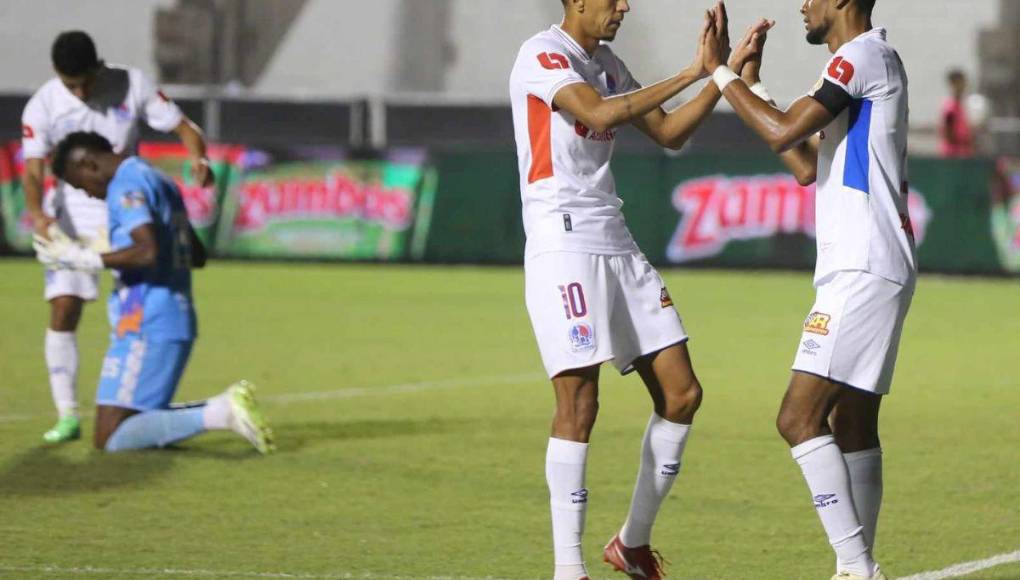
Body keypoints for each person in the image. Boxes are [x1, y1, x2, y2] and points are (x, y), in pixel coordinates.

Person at [509, 2, 769, 578]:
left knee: (682, 393)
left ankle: (631, 543)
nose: (623, 5)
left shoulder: (606, 61)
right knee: (580, 402)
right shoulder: (542, 55)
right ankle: (567, 568)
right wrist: (693, 70)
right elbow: (598, 114)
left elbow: (670, 133)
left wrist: (720, 78)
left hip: (614, 238)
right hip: (563, 243)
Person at [701, 0, 916, 578]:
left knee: (797, 419)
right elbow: (803, 162)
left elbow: (782, 129)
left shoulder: (859, 57)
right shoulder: (870, 62)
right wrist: (752, 83)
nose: (803, 5)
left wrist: (719, 72)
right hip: (877, 262)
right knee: (852, 425)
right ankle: (854, 568)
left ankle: (858, 567)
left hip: (862, 265)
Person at [21, 30, 214, 443]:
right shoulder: (44, 105)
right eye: (70, 84)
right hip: (73, 214)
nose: (80, 90)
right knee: (65, 306)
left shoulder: (132, 83)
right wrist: (39, 216)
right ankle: (67, 414)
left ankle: (135, 390)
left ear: (99, 66)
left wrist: (198, 156)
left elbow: (184, 127)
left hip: (125, 200)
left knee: (142, 292)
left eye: (85, 81)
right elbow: (34, 170)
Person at [33, 131, 274, 455]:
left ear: (88, 164)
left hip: (146, 321)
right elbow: (196, 254)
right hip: (169, 316)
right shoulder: (159, 180)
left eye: (80, 185)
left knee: (111, 437)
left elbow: (147, 251)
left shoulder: (126, 185)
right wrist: (98, 248)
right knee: (128, 424)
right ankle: (222, 409)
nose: (89, 195)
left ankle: (220, 411)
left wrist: (83, 259)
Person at [939, 69, 974, 158]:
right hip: (953, 154)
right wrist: (966, 140)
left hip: (963, 153)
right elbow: (948, 134)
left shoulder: (961, 105)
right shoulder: (950, 107)